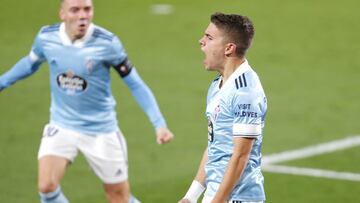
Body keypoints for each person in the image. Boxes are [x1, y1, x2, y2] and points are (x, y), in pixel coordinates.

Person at [0, 0, 174, 202]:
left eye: (87, 9)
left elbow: (135, 84)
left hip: (101, 131)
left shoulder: (107, 43)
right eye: (75, 10)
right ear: (62, 14)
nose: (83, 15)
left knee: (118, 197)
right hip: (61, 125)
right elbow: (30, 63)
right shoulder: (46, 37)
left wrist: (159, 123)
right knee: (46, 186)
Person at [178, 12, 267, 203]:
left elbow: (241, 155)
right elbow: (215, 146)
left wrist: (218, 201)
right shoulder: (217, 85)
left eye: (209, 37)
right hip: (216, 195)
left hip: (239, 198)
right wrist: (191, 196)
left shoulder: (245, 92)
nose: (201, 41)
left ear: (229, 48)